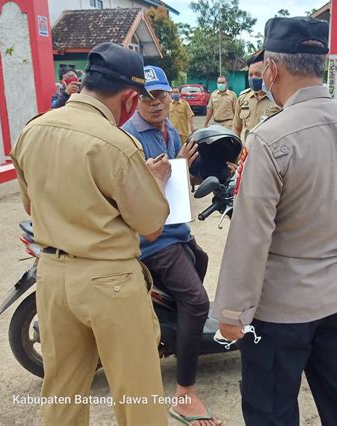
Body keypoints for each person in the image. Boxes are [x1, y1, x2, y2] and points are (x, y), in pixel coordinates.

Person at [213, 16, 337, 426]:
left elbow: (251, 235)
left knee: (271, 410)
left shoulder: (270, 137)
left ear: (272, 69)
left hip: (283, 308)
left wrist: (233, 312)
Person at [10, 42, 171, 426]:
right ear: (131, 99)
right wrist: (156, 183)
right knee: (138, 397)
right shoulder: (116, 144)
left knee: (63, 390)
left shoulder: (33, 130)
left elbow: (31, 208)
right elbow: (151, 227)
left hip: (51, 276)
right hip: (109, 281)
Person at [122, 65, 221, 426]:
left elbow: (178, 179)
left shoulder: (169, 131)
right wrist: (159, 177)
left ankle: (170, 333)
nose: (156, 102)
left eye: (161, 95)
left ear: (170, 96)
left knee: (202, 260)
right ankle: (185, 392)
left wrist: (190, 170)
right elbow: (128, 196)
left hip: (176, 229)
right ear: (135, 99)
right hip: (154, 239)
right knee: (196, 300)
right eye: (148, 96)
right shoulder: (128, 139)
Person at [233, 51, 280, 142]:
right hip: (244, 153)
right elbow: (236, 128)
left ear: (268, 73)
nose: (253, 78)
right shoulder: (243, 98)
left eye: (258, 75)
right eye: (250, 75)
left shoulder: (278, 100)